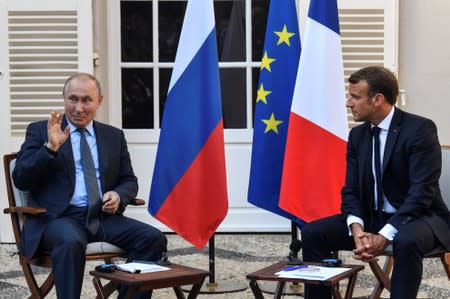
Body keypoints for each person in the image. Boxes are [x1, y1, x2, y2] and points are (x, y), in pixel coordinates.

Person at [12, 73, 167, 299]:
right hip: (57, 219)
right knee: (71, 241)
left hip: (101, 217)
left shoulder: (113, 136)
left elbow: (129, 180)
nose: (79, 107)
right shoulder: (39, 131)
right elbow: (21, 179)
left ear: (99, 101)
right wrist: (49, 149)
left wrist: (118, 195)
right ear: (64, 99)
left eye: (87, 100)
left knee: (153, 238)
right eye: (72, 99)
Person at [301, 66, 450, 299]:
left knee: (406, 239)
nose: (349, 103)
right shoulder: (357, 136)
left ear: (378, 99)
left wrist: (385, 235)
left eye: (355, 97)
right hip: (374, 216)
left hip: (422, 218)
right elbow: (350, 191)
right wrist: (357, 229)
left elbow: (422, 193)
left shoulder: (420, 129)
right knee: (313, 232)